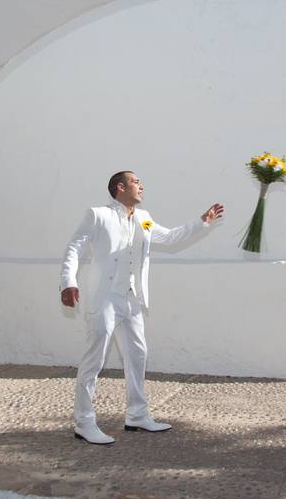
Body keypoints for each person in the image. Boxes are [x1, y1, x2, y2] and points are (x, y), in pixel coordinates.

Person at [60, 171, 224, 445]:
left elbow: (171, 238)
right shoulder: (97, 215)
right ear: (120, 187)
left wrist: (202, 222)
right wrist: (68, 281)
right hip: (105, 298)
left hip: (132, 299)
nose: (141, 185)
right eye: (136, 181)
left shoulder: (144, 217)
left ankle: (136, 414)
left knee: (137, 355)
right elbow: (74, 248)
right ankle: (84, 422)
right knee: (95, 360)